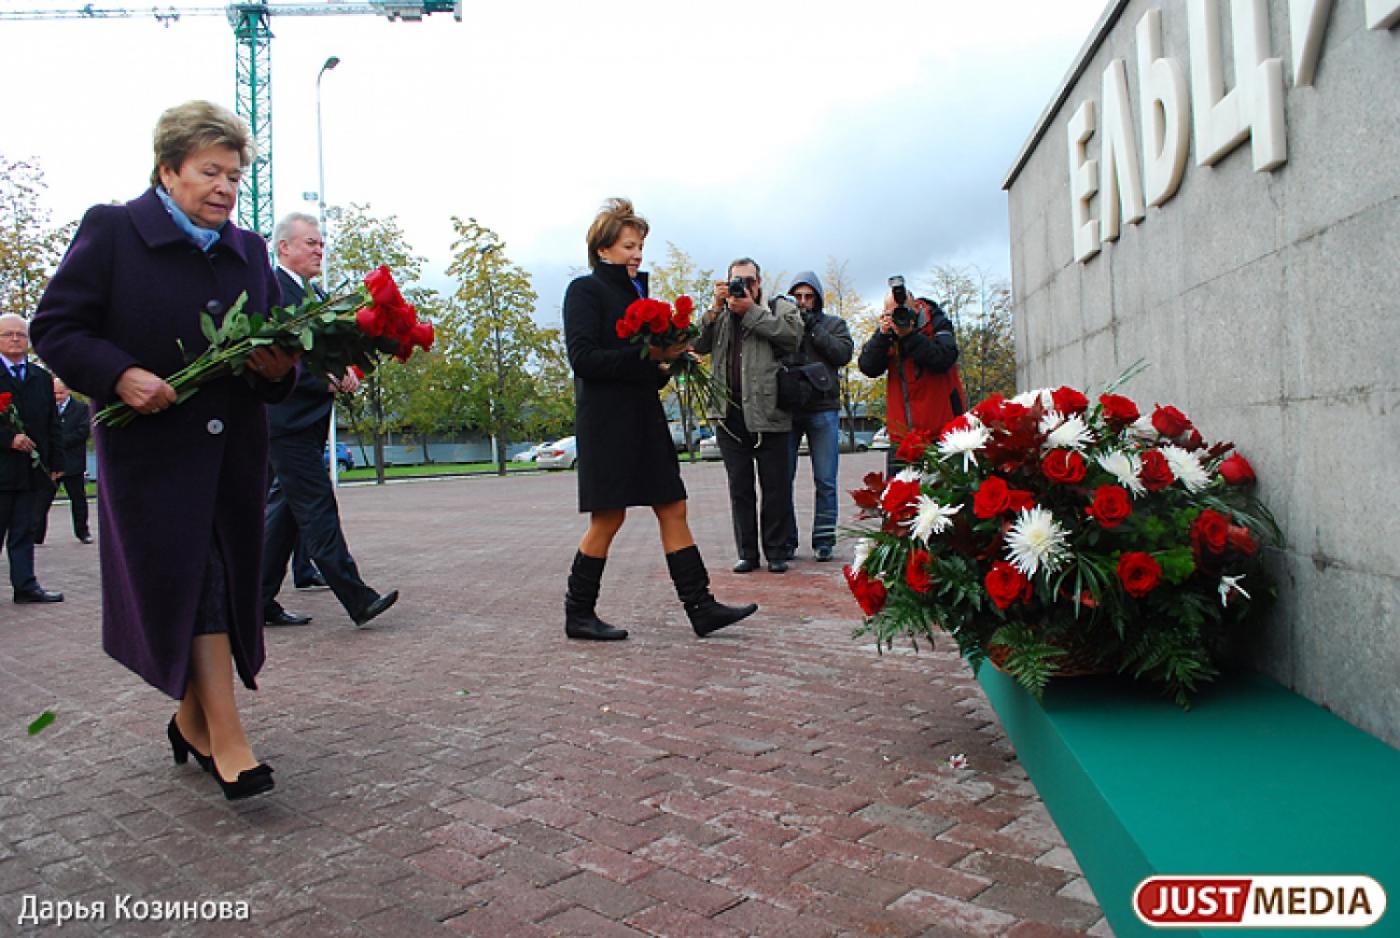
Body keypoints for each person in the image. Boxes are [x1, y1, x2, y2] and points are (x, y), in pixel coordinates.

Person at [32, 100, 297, 800]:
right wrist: (118, 374)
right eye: (211, 172)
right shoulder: (114, 230)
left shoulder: (250, 252)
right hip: (152, 461)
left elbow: (274, 351)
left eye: (236, 177)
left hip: (233, 459)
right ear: (168, 168)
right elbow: (55, 327)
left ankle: (190, 721)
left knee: (213, 585)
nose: (226, 188)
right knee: (197, 583)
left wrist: (280, 368)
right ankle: (230, 740)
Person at [561, 198, 756, 642]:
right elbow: (584, 359)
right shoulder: (584, 291)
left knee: (673, 505)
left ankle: (701, 607)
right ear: (603, 250)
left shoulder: (639, 295)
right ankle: (578, 613)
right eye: (629, 246)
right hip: (607, 424)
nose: (637, 254)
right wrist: (649, 355)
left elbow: (641, 371)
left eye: (640, 246)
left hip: (643, 419)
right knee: (607, 519)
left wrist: (667, 365)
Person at [260, 212, 397, 629]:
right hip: (284, 421)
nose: (319, 250)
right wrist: (327, 378)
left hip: (305, 422)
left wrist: (349, 366)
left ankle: (256, 600)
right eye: (310, 244)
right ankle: (357, 598)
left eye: (321, 244)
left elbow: (325, 353)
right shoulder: (271, 290)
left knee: (285, 512)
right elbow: (270, 358)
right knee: (317, 506)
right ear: (284, 247)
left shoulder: (314, 293)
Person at [694, 259, 804, 573]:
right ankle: (747, 553)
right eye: (736, 281)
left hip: (770, 411)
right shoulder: (721, 314)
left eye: (749, 281)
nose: (743, 287)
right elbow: (696, 343)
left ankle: (776, 552)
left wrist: (750, 311)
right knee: (739, 488)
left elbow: (792, 336)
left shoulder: (777, 307)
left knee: (776, 487)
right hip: (729, 415)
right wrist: (715, 309)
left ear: (759, 282)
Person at [779, 272, 853, 563]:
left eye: (809, 296)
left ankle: (824, 540)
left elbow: (843, 354)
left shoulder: (834, 324)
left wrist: (814, 329)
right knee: (783, 479)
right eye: (797, 296)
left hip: (824, 408)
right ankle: (787, 540)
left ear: (818, 298)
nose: (803, 302)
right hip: (790, 408)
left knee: (826, 479)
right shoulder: (783, 324)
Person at [857, 291, 966, 472]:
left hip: (944, 433)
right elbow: (868, 367)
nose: (899, 317)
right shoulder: (888, 336)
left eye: (903, 311)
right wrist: (882, 336)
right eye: (892, 314)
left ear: (915, 307)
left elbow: (944, 359)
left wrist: (909, 336)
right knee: (899, 497)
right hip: (902, 438)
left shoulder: (936, 322)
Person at [0, 313, 63, 603]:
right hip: (2, 468)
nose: (15, 339)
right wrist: (8, 439)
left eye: (21, 335)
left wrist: (56, 464)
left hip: (31, 472)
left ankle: (25, 586)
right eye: (7, 334)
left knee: (25, 531)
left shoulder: (40, 377)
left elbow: (53, 424)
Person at [32, 377, 93, 546]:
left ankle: (83, 532)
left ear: (69, 391)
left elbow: (82, 432)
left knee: (78, 500)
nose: (57, 396)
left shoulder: (81, 409)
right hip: (51, 464)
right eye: (54, 393)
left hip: (72, 463)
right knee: (42, 500)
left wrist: (58, 442)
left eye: (61, 393)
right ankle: (37, 534)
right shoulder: (45, 409)